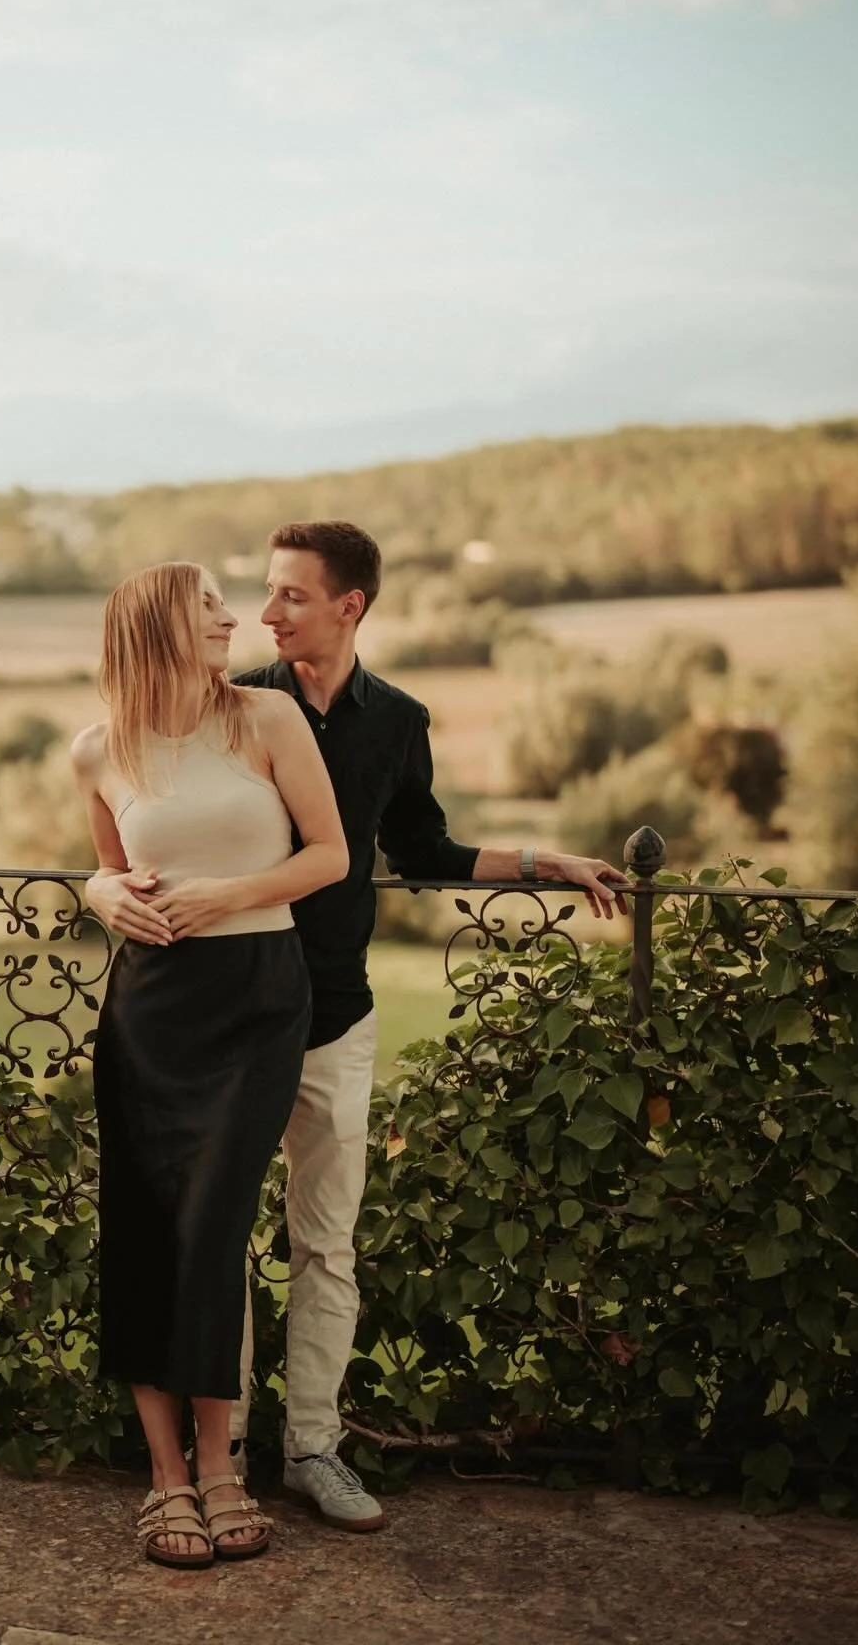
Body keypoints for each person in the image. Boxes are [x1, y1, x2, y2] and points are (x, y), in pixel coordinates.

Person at [87, 521, 628, 1534]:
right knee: (211, 1236)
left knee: (325, 1244)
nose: (265, 612)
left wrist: (544, 861)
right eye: (260, 592)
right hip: (215, 1011)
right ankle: (218, 1461)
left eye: (291, 595)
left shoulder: (396, 720)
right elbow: (132, 831)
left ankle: (313, 1449)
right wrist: (98, 887)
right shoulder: (237, 700)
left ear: (350, 606)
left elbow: (424, 848)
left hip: (330, 1011)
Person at [70, 561, 348, 1570]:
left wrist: (226, 895)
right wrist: (99, 894)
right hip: (151, 1011)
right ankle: (167, 1479)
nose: (236, 619)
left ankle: (221, 1466)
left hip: (257, 999)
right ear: (155, 627)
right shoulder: (98, 748)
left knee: (214, 1229)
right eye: (209, 607)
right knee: (148, 1230)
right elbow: (110, 869)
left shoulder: (268, 721)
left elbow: (330, 855)